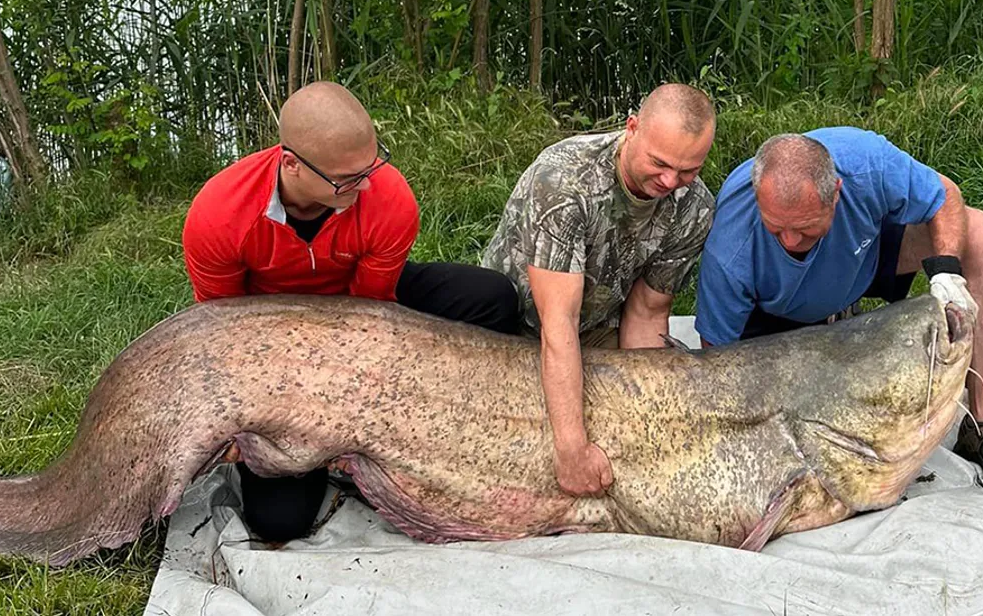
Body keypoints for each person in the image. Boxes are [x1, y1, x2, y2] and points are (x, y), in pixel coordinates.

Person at [182, 80, 520, 542]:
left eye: (371, 167)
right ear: (291, 165)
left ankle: (450, 414)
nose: (364, 186)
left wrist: (355, 410)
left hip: (359, 305)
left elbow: (369, 323)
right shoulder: (218, 216)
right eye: (346, 179)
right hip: (270, 334)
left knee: (493, 296)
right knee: (278, 521)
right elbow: (224, 334)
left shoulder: (388, 197)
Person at [693, 128, 983, 491]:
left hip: (860, 259)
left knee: (981, 232)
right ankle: (825, 324)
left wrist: (946, 273)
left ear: (836, 195)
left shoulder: (867, 165)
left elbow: (944, 196)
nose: (791, 241)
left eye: (805, 229)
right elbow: (715, 359)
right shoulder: (730, 250)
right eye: (776, 229)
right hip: (773, 315)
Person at [481, 83, 716, 498]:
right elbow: (558, 325)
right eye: (659, 163)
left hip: (599, 325)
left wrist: (646, 418)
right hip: (516, 322)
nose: (670, 180)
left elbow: (646, 314)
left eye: (688, 170)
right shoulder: (564, 181)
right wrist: (572, 450)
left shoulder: (694, 207)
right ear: (632, 129)